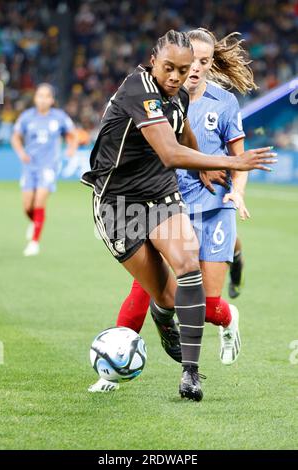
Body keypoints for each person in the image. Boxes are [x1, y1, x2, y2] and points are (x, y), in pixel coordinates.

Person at [82, 30, 276, 401]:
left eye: (183, 69)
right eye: (169, 68)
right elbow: (170, 153)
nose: (176, 76)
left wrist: (202, 168)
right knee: (167, 296)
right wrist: (229, 162)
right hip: (120, 205)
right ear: (153, 60)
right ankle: (162, 313)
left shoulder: (181, 93)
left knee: (188, 266)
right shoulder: (137, 90)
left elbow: (183, 128)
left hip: (160, 192)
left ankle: (191, 374)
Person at [113, 28, 259, 372]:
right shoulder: (158, 97)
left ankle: (228, 317)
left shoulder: (223, 103)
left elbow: (239, 156)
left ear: (210, 64)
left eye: (202, 62)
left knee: (207, 307)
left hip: (213, 206)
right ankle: (112, 366)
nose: (193, 68)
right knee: (146, 291)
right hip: (168, 205)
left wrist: (237, 192)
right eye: (188, 61)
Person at [11, 83, 78, 256]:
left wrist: (71, 148)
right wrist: (20, 152)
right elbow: (15, 137)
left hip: (49, 166)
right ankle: (34, 222)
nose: (42, 99)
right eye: (39, 96)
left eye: (46, 96)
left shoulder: (59, 117)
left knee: (39, 201)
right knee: (28, 206)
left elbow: (72, 134)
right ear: (35, 98)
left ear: (51, 99)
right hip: (29, 166)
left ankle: (34, 242)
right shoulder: (27, 117)